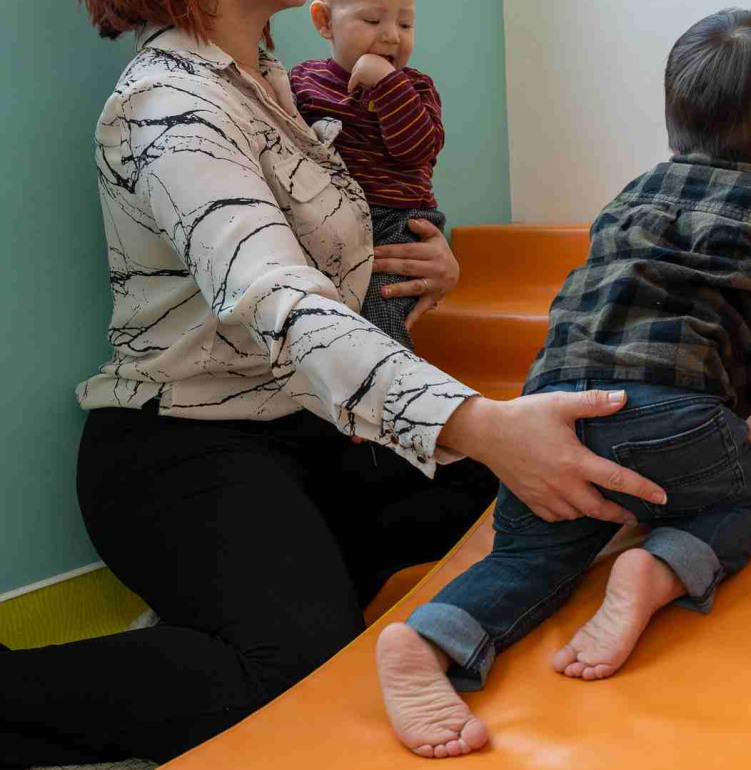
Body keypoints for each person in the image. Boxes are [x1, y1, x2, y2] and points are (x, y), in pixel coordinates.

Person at [0, 1, 665, 767]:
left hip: (310, 429)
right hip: (181, 443)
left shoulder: (271, 85)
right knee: (295, 673)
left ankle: (248, 606)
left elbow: (321, 256)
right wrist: (479, 422)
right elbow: (276, 298)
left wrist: (430, 266)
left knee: (555, 482)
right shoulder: (167, 101)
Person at [373, 9, 751, 760]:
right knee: (747, 504)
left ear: (674, 130)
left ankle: (429, 641)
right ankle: (655, 569)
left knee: (528, 556)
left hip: (545, 419)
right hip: (675, 417)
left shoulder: (628, 197)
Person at [290, 0, 443, 351]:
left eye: (405, 25)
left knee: (377, 305)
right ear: (325, 21)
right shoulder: (302, 81)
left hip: (395, 221)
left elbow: (416, 151)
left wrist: (388, 84)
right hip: (325, 220)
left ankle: (393, 378)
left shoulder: (416, 88)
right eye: (373, 20)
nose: (392, 36)